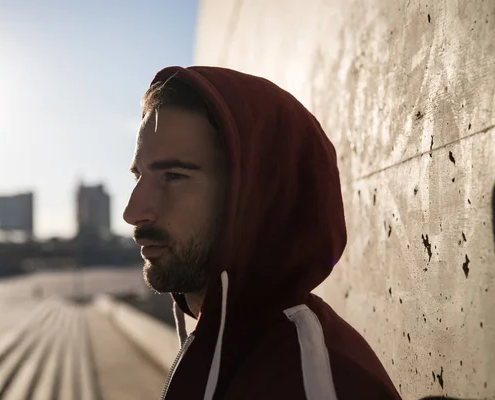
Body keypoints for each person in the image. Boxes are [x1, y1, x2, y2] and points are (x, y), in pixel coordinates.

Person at [123, 66, 402, 400]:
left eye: (173, 176)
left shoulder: (311, 383)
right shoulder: (223, 343)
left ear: (255, 196)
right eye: (138, 176)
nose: (132, 213)